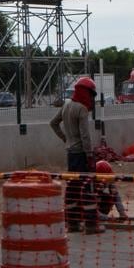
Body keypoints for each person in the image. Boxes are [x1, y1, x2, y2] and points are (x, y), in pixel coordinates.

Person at [50, 76, 99, 233]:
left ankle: (73, 223)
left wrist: (65, 138)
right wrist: (90, 155)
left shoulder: (67, 105)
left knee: (72, 187)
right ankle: (91, 225)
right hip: (81, 154)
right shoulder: (82, 109)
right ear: (86, 92)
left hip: (70, 153)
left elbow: (53, 123)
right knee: (86, 187)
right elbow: (85, 136)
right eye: (91, 94)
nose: (92, 98)